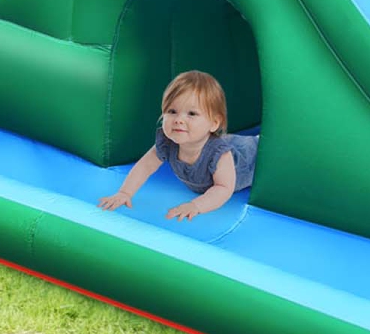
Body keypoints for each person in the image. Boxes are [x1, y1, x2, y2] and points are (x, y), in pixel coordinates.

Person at [98, 71, 258, 222]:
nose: (178, 120)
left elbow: (223, 188)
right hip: (223, 140)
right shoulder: (167, 143)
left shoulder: (220, 154)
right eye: (172, 111)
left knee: (260, 148)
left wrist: (196, 206)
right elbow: (145, 166)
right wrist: (124, 193)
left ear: (214, 123)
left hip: (249, 158)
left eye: (192, 114)